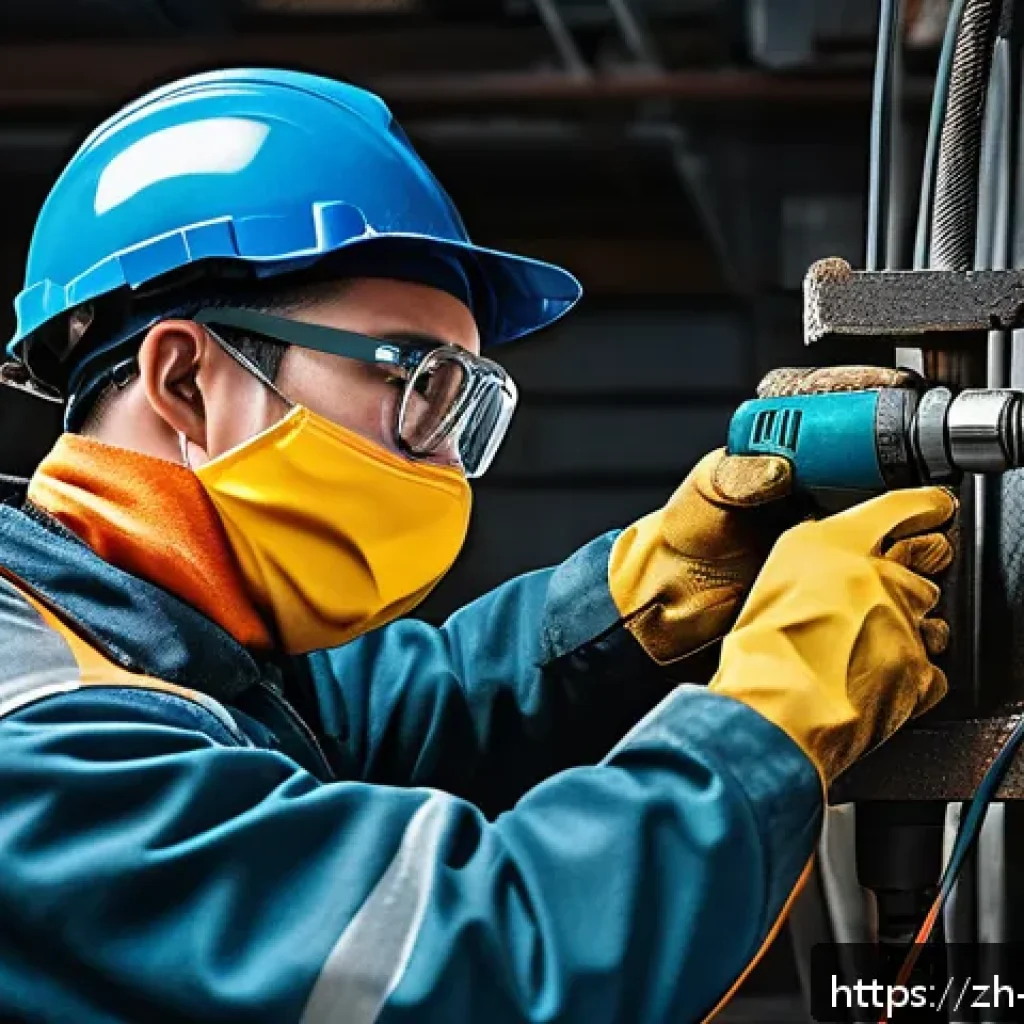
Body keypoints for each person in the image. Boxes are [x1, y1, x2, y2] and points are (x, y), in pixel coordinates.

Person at [0, 69, 955, 1023]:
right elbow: (479, 961)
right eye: (419, 381)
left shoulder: (165, 650)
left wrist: (644, 600)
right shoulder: (42, 748)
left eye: (465, 406)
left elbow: (397, 715)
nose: (448, 461)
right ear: (184, 382)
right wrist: (778, 711)